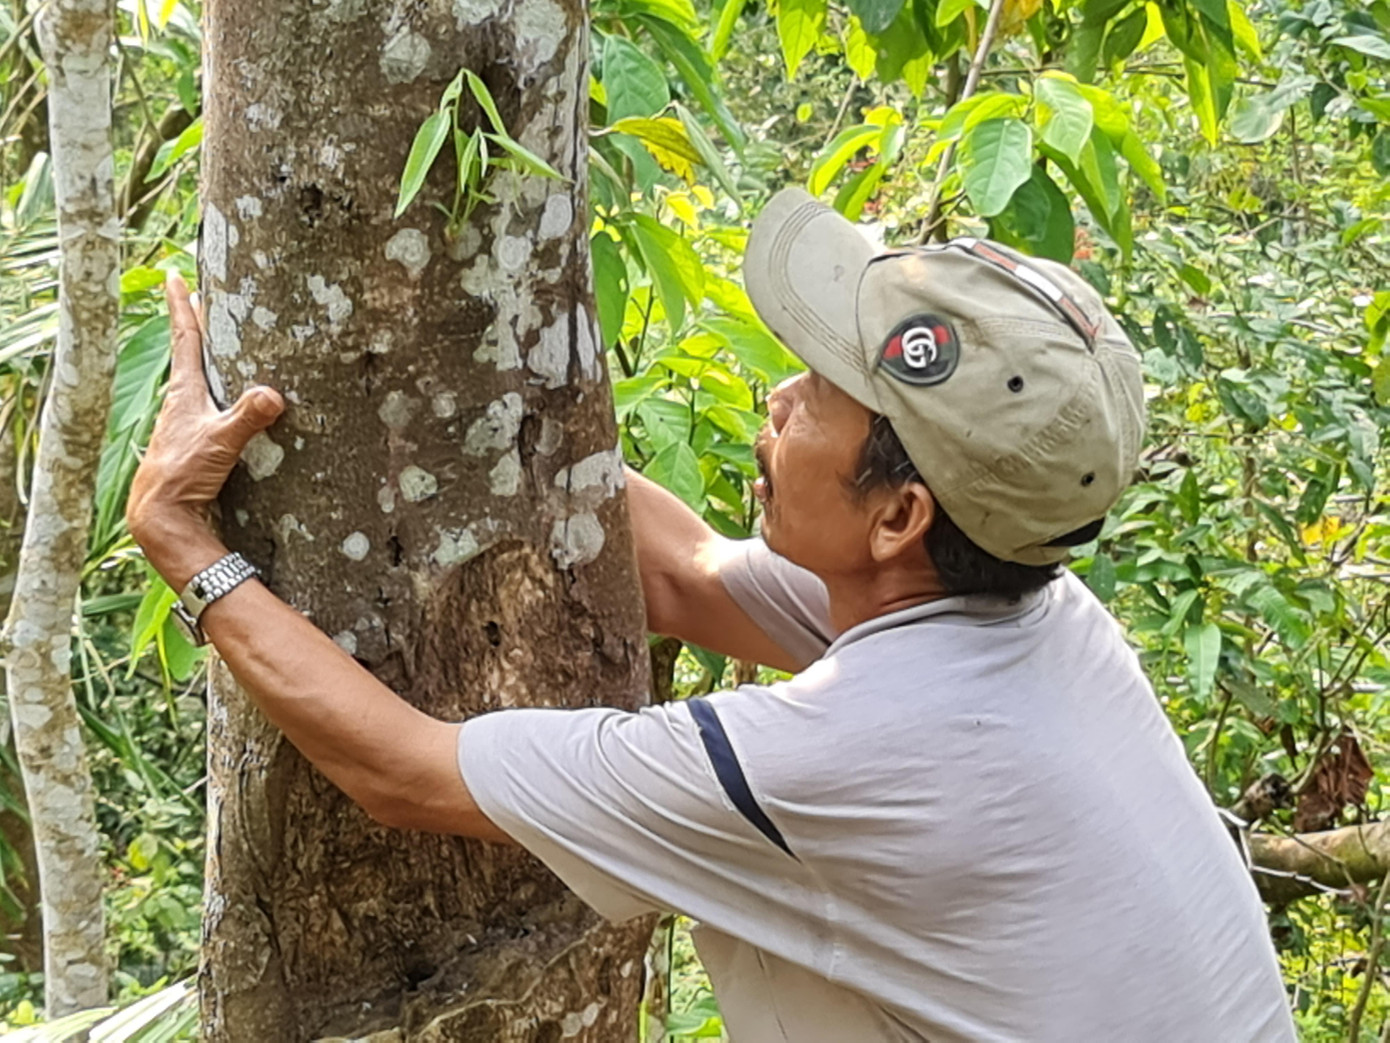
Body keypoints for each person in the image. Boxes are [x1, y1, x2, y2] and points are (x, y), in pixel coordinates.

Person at [127, 188, 1296, 1041]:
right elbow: (686, 572)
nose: (777, 397)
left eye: (819, 396)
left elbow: (403, 771)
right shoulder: (1037, 613)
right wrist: (482, 381)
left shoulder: (842, 753)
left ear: (898, 516)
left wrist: (182, 537)